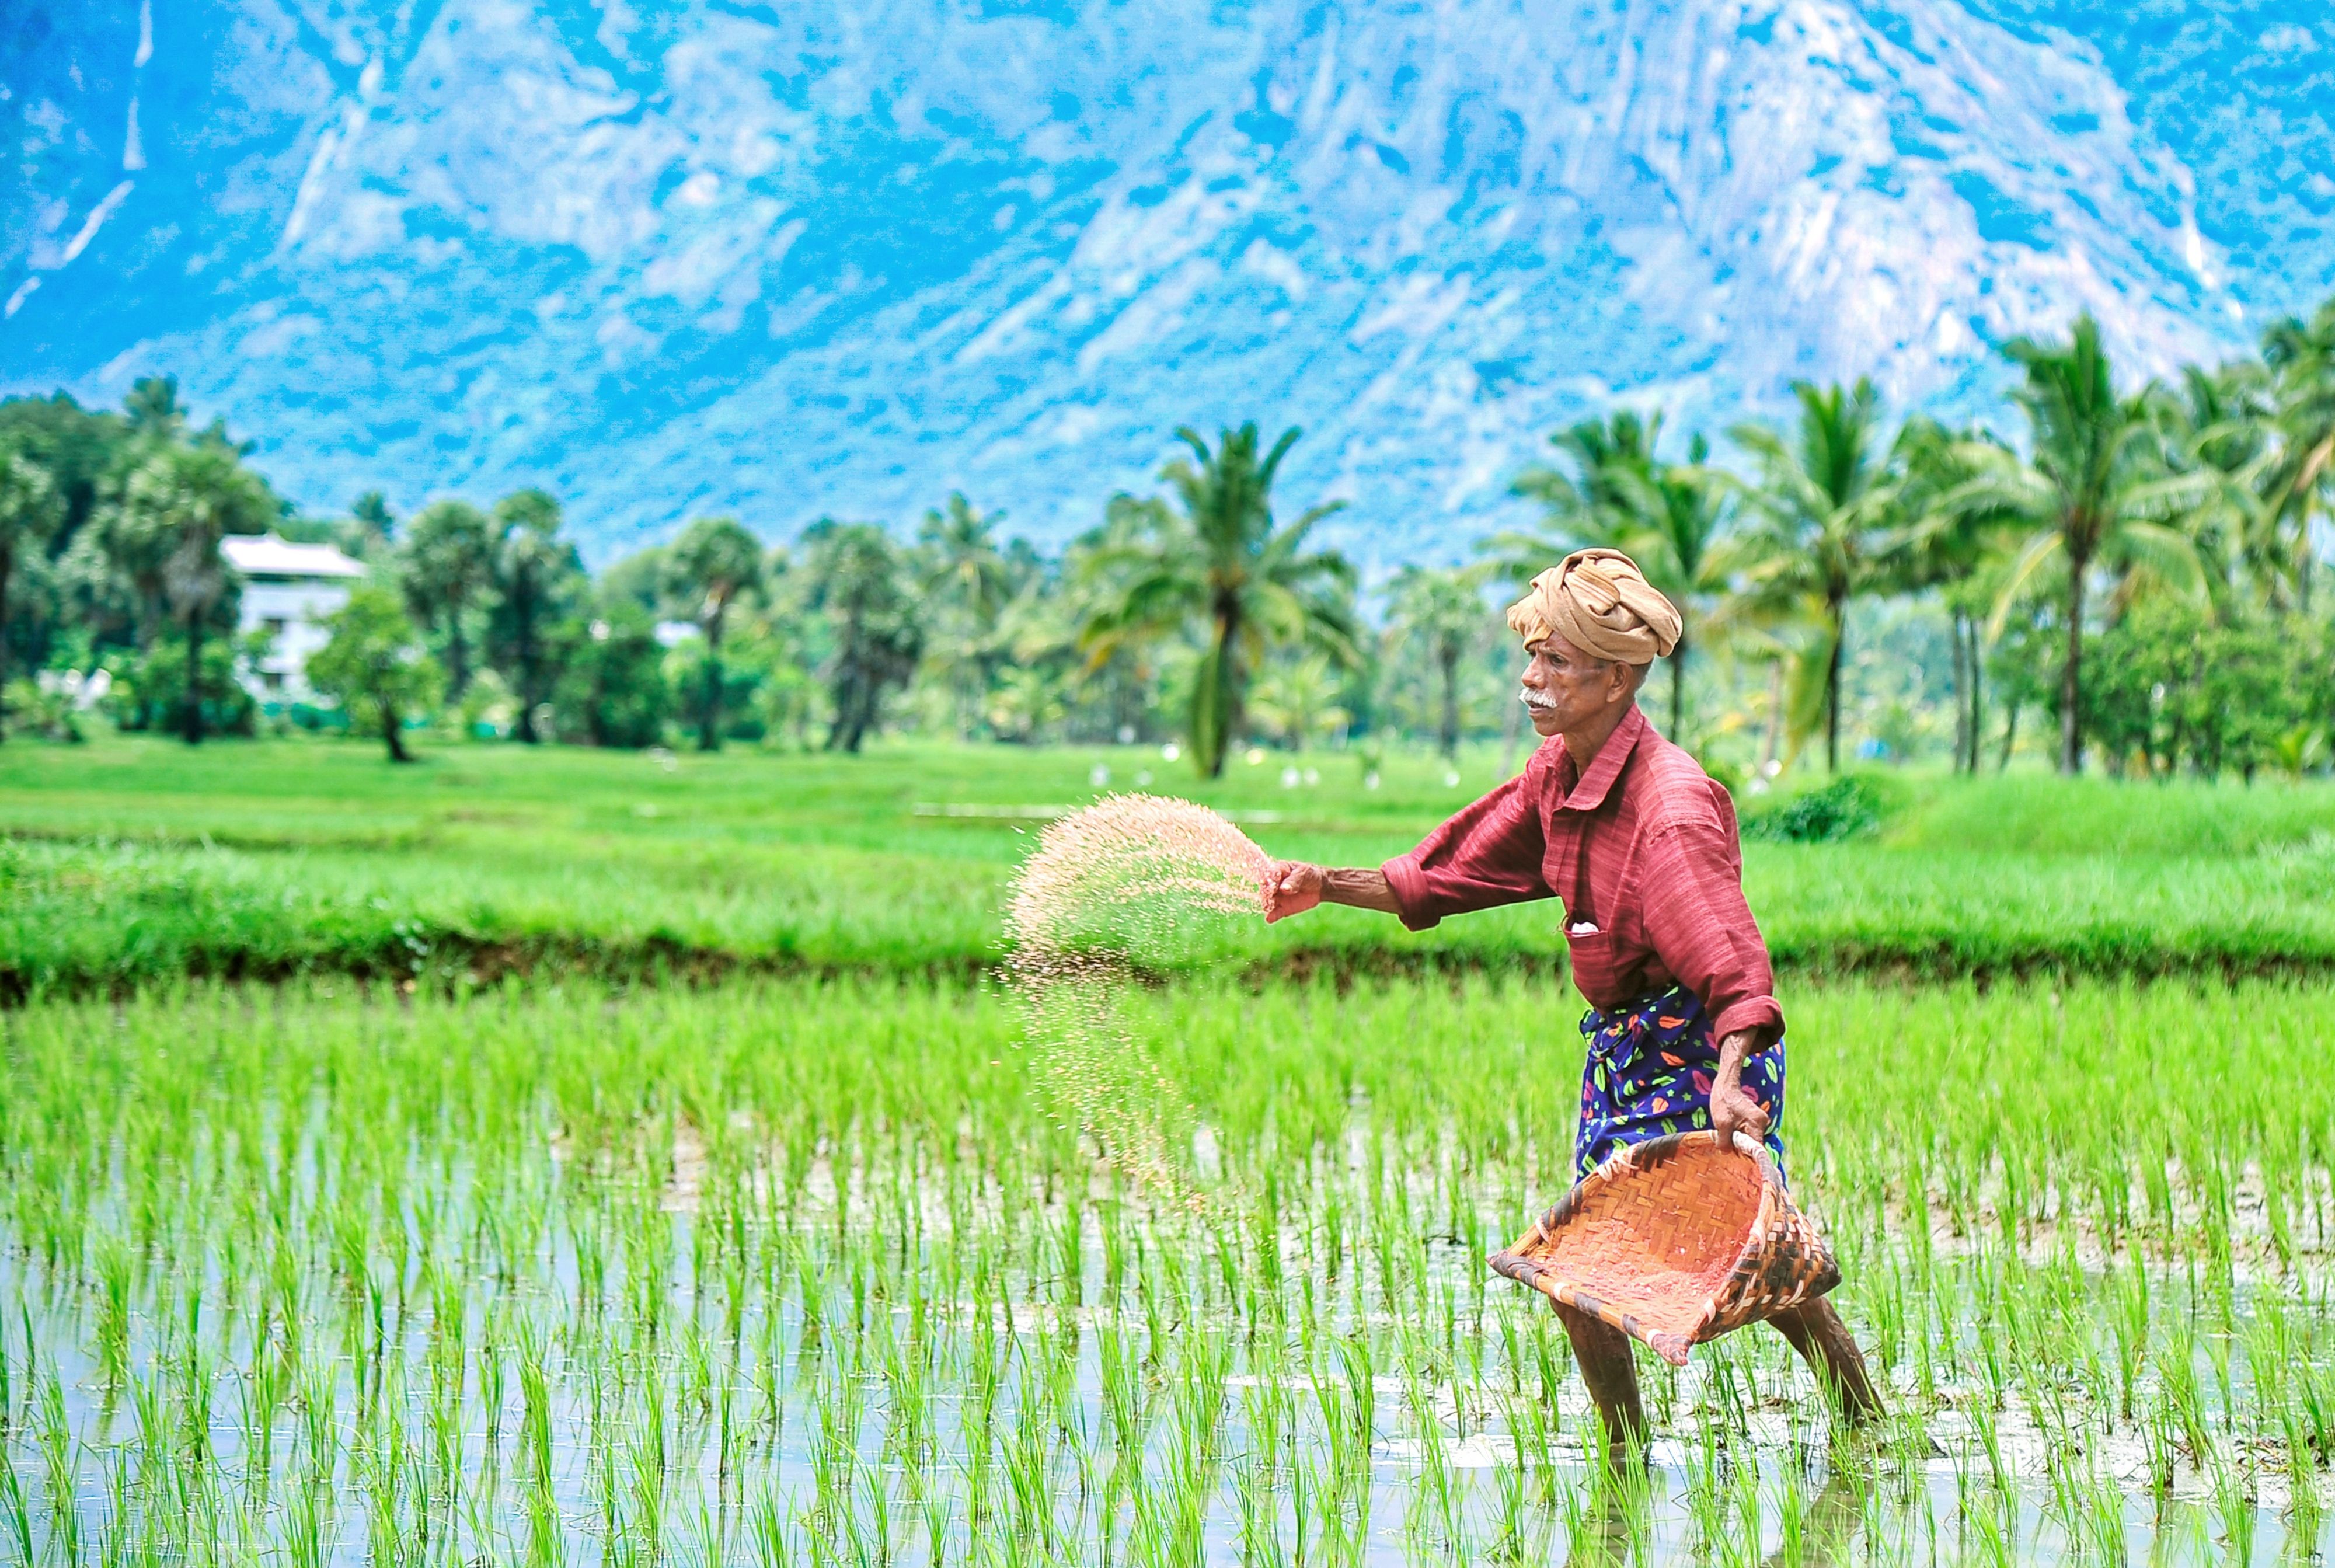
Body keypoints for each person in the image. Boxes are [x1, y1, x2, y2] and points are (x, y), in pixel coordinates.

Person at [1262, 548, 1881, 1448]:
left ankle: (1853, 1420)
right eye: (1532, 656)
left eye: (1555, 660)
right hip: (1626, 1049)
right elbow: (1447, 870)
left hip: (1703, 1050)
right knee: (1606, 1262)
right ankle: (1631, 1451)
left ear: (1619, 676)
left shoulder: (1670, 808)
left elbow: (1728, 955)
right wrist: (1327, 882)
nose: (1530, 678)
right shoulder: (1557, 778)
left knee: (1725, 1254)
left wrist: (1732, 1075)